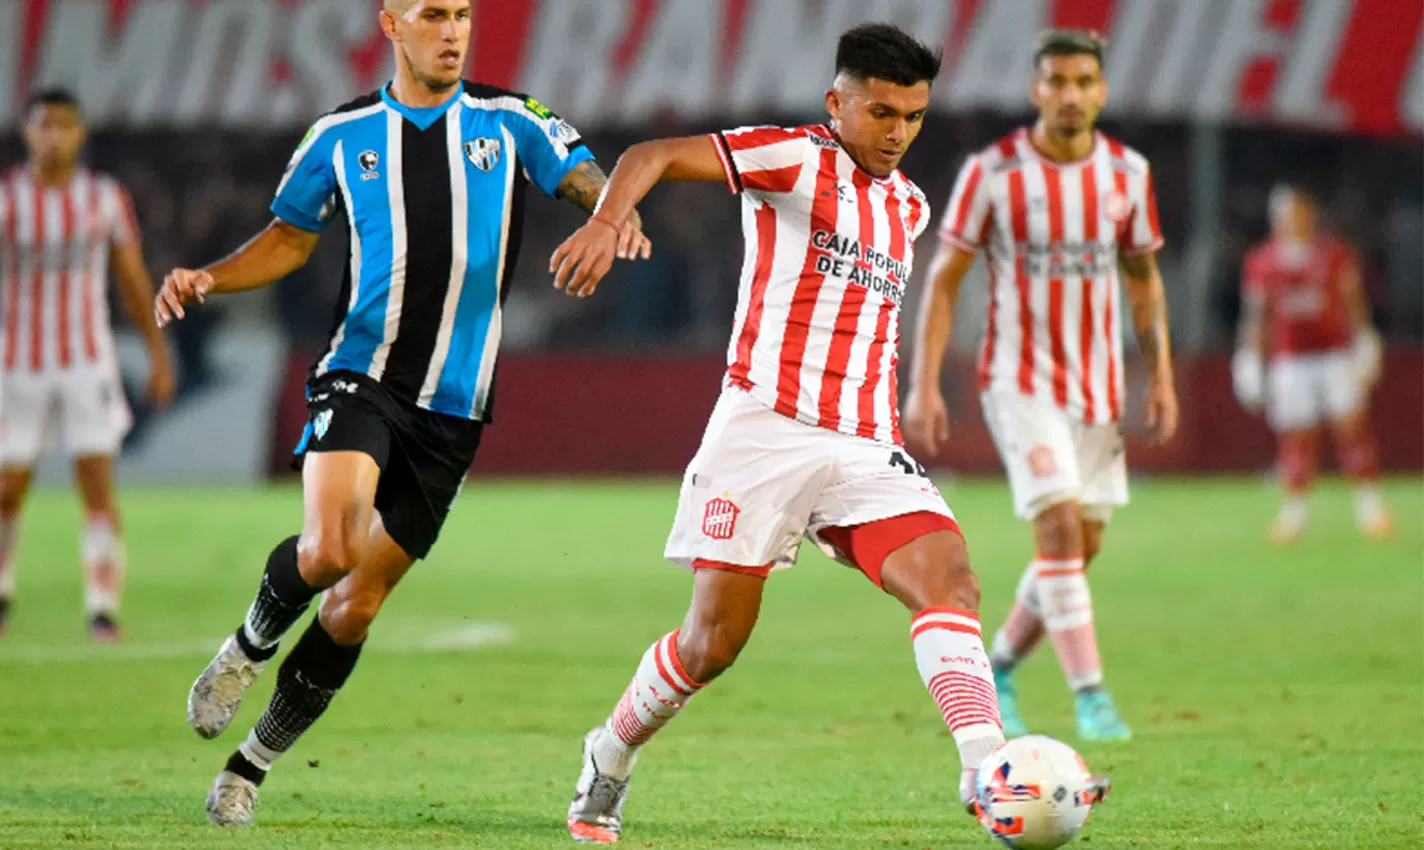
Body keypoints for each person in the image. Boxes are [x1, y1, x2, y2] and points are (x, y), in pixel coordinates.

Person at [549, 23, 1069, 845]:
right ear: (838, 102)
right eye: (883, 112)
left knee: (950, 579)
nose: (898, 132)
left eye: (915, 117)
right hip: (763, 431)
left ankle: (986, 767)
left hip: (864, 443)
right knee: (712, 642)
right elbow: (652, 153)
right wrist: (611, 220)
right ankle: (608, 753)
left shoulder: (909, 205)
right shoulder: (792, 157)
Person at [154, 0, 649, 828]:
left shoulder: (510, 118)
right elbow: (288, 236)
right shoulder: (339, 138)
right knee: (331, 546)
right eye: (433, 14)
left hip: (454, 408)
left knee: (355, 606)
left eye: (462, 14)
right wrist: (209, 276)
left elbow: (585, 175)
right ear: (391, 24)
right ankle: (245, 646)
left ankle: (251, 766)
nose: (453, 31)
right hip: (362, 373)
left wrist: (611, 215)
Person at [904, 29, 1178, 743]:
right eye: (1056, 82)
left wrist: (1162, 379)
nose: (1070, 95)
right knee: (1057, 529)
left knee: (1078, 549)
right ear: (1036, 91)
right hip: (1018, 381)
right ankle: (1092, 696)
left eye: (1084, 82)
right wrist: (924, 383)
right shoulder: (993, 173)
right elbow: (944, 282)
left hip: (1099, 385)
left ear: (1102, 91)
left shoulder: (1127, 174)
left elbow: (1144, 282)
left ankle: (996, 666)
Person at [0, 88, 175, 643]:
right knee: (8, 486)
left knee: (97, 485)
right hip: (18, 364)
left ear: (81, 133)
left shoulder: (104, 198)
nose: (54, 135)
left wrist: (157, 352)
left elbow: (131, 275)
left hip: (87, 363)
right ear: (28, 132)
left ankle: (103, 609)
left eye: (65, 125)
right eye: (44, 124)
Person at [1233, 184, 1391, 542]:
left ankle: (1371, 509)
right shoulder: (1263, 262)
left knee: (1351, 428)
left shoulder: (1334, 254)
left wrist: (1365, 340)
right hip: (1290, 360)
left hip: (1334, 355)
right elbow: (1257, 317)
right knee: (1296, 437)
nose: (1291, 222)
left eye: (1297, 214)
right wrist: (1249, 358)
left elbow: (1353, 303)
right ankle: (1295, 515)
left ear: (1309, 215)